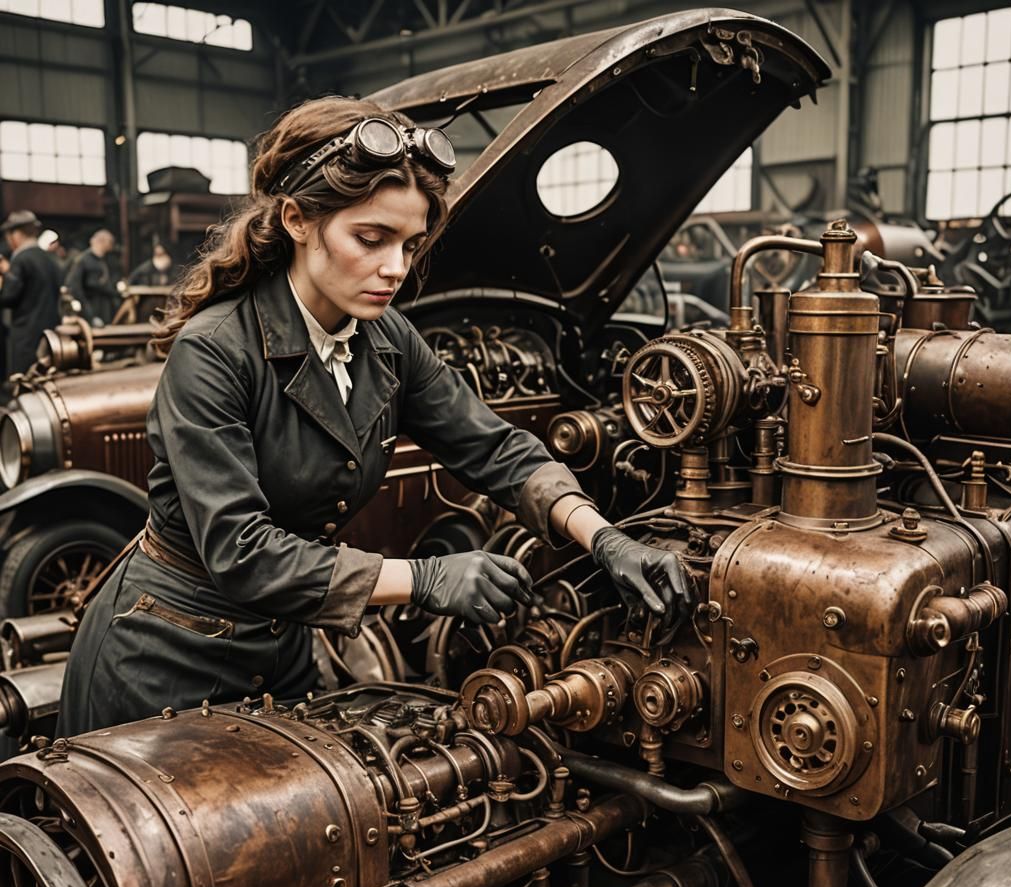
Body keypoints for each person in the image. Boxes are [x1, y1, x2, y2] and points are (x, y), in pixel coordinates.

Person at [56, 96, 693, 736]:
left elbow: (495, 449)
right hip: (164, 661)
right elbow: (242, 552)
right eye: (370, 238)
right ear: (298, 220)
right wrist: (423, 579)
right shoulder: (213, 351)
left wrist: (604, 537)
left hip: (281, 653)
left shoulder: (385, 339)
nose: (396, 268)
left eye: (410, 244)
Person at [0, 210, 62, 376]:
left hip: (25, 336)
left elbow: (8, 297)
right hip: (50, 334)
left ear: (17, 234)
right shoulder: (50, 259)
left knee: (24, 381)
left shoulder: (20, 259)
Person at [64, 227, 119, 325]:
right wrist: (89, 314)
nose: (111, 246)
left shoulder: (106, 260)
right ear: (102, 242)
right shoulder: (82, 261)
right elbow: (74, 287)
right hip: (90, 311)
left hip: (105, 310)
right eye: (110, 243)